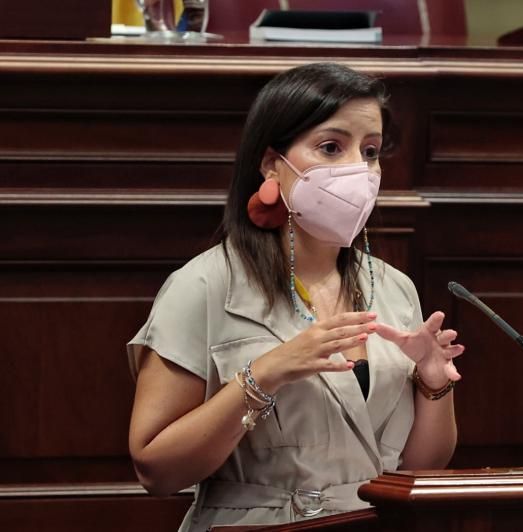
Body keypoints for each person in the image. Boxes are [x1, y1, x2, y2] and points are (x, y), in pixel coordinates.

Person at [127, 62, 464, 531]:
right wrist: (265, 374)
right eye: (331, 147)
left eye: (370, 151)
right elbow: (156, 470)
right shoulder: (204, 286)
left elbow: (419, 467)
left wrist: (433, 383)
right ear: (271, 164)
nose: (358, 170)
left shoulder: (393, 287)